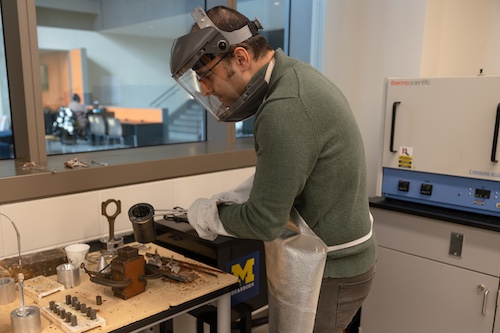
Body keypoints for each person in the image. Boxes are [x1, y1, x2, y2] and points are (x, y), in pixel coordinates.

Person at [170, 6, 376, 333]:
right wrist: (244, 194)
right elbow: (300, 165)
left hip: (333, 268)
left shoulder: (284, 107)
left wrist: (211, 216)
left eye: (207, 77)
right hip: (342, 256)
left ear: (240, 57)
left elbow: (265, 221)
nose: (206, 90)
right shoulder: (293, 75)